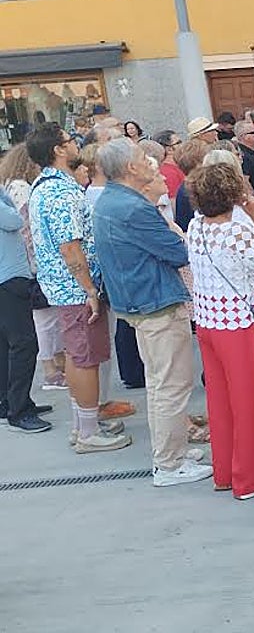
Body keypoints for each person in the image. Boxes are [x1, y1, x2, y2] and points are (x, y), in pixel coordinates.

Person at [93, 139, 212, 486]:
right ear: (131, 168)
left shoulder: (113, 200)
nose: (150, 162)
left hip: (140, 300)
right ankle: (169, 463)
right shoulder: (132, 207)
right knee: (171, 385)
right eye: (142, 158)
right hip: (154, 301)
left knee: (162, 383)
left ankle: (171, 450)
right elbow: (176, 252)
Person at [26, 123, 132, 454]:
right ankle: (87, 432)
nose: (75, 145)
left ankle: (82, 424)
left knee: (79, 355)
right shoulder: (59, 191)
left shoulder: (47, 185)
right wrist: (89, 289)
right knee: (84, 357)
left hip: (67, 287)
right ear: (58, 150)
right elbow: (70, 246)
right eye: (69, 141)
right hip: (75, 289)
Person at [185, 163, 254, 499]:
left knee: (221, 399)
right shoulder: (236, 232)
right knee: (250, 400)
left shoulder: (195, 226)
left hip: (208, 320)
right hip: (238, 322)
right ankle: (253, 477)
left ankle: (227, 470)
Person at [0, 181, 49, 433]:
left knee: (7, 344)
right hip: (8, 278)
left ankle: (8, 402)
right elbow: (15, 221)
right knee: (24, 344)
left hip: (7, 277)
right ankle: (19, 411)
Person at [152, 130, 186, 201]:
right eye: (178, 142)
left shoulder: (177, 166)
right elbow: (174, 201)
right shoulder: (168, 173)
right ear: (169, 149)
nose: (182, 145)